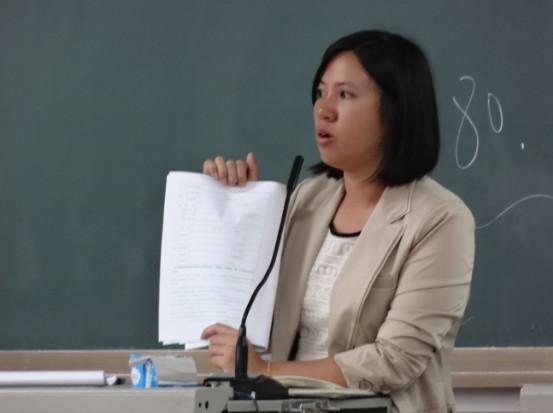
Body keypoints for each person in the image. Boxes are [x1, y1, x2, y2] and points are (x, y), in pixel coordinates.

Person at [201, 30, 475, 413]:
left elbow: (393, 361)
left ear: (396, 112)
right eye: (320, 93)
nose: (323, 110)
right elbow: (247, 313)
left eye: (344, 95)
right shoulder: (306, 200)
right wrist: (238, 207)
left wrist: (267, 372)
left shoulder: (440, 219)